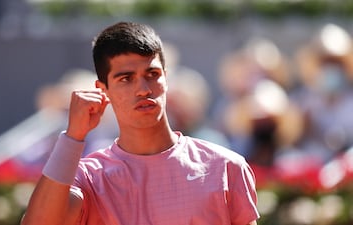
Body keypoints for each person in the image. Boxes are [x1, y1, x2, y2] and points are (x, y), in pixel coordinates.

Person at [21, 21, 259, 225]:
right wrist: (72, 137)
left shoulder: (226, 167)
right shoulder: (88, 177)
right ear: (103, 90)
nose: (143, 90)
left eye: (152, 75)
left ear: (166, 77)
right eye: (126, 78)